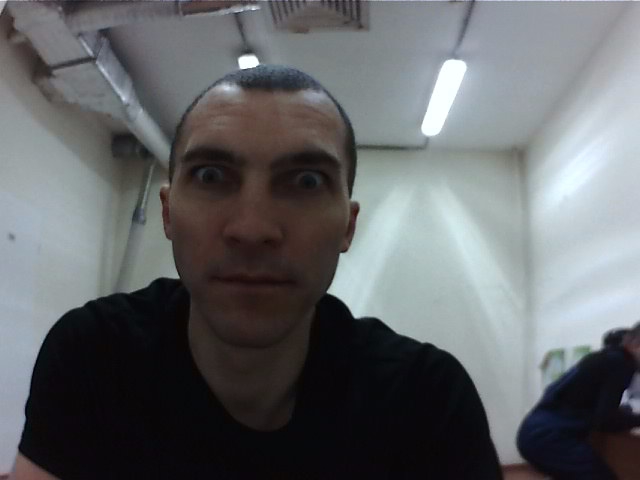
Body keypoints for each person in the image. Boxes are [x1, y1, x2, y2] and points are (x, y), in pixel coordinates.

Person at [11, 65, 502, 479]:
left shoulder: (427, 400)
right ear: (167, 212)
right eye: (210, 175)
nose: (252, 229)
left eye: (306, 181)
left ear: (348, 227)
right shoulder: (93, 355)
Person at [517, 323, 640, 480]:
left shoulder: (603, 357)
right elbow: (606, 420)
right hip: (550, 438)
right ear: (635, 343)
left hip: (536, 432)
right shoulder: (620, 363)